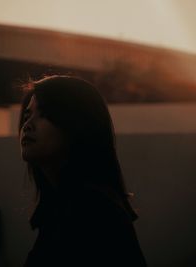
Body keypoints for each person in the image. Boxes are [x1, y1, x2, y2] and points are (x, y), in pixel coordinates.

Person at [18, 75, 147, 266]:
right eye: (27, 116)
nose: (27, 125)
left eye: (44, 115)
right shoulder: (64, 205)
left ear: (76, 125)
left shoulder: (93, 213)